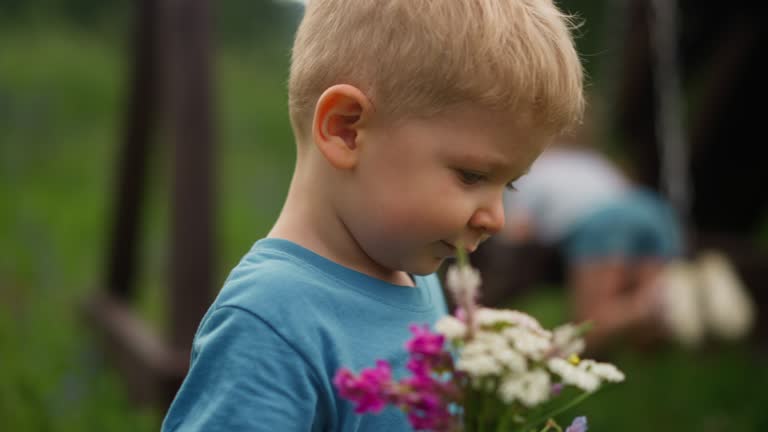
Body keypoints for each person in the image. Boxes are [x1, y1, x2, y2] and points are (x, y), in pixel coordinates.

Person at [161, 0, 585, 430]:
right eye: (472, 175)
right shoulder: (271, 322)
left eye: (509, 184)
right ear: (346, 130)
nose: (497, 219)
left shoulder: (417, 277)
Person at [500, 134, 755, 351]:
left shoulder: (531, 170)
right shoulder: (594, 161)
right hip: (651, 208)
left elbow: (517, 231)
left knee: (589, 326)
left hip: (605, 222)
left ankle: (663, 299)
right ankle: (679, 288)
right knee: (642, 326)